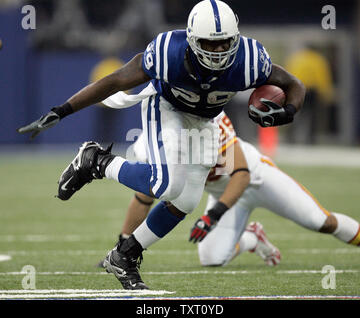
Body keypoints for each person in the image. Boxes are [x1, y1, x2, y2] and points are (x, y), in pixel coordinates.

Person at [17, 0, 305, 290]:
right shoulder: (169, 52)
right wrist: (62, 110)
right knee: (166, 184)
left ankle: (125, 256)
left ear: (235, 38)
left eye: (224, 43)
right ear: (192, 39)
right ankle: (95, 160)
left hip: (206, 120)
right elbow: (116, 80)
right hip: (166, 107)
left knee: (187, 201)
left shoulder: (251, 59)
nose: (218, 51)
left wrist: (289, 112)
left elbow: (295, 84)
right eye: (209, 43)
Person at [104, 111, 360, 268]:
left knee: (320, 221)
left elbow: (241, 176)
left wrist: (212, 216)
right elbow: (144, 197)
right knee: (211, 258)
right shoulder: (156, 137)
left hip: (256, 179)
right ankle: (252, 238)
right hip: (222, 195)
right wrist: (123, 245)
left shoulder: (211, 120)